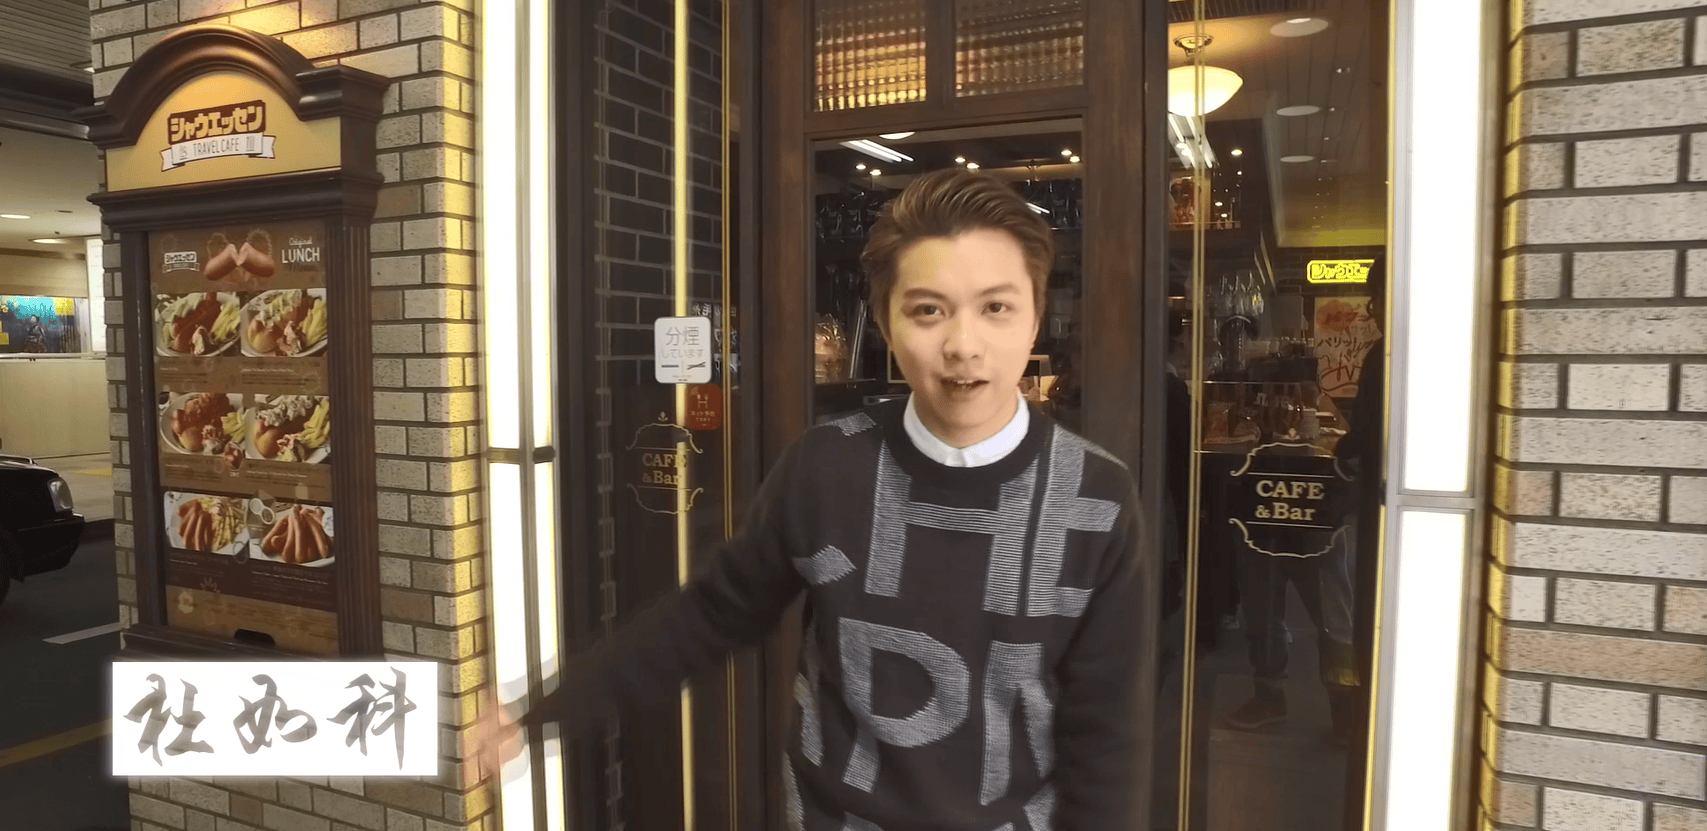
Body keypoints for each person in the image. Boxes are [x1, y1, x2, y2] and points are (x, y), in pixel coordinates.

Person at [479, 168, 1151, 830]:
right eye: (928, 310)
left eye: (995, 307)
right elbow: (711, 613)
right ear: (886, 323)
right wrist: (540, 712)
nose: (962, 345)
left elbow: (1106, 734)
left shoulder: (1094, 496)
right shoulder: (827, 467)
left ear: (1035, 320)